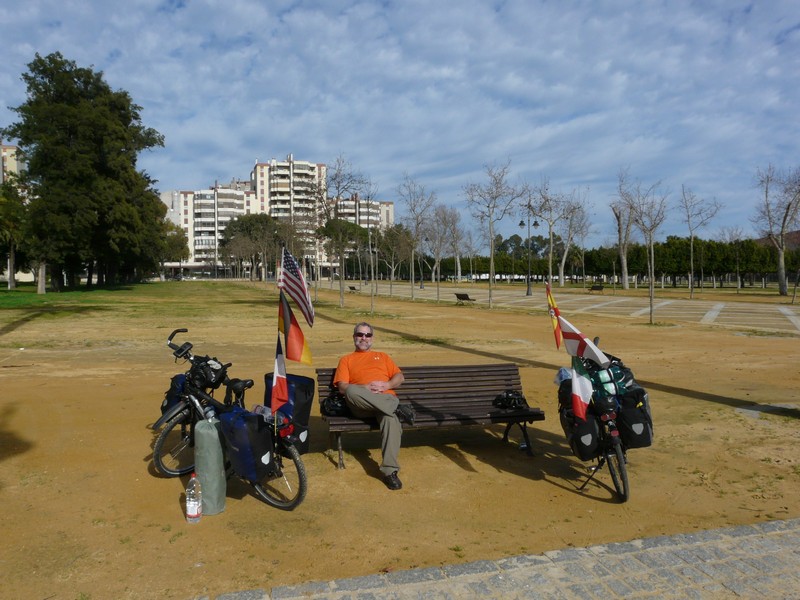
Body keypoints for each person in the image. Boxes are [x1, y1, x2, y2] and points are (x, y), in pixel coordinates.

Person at [334, 322, 415, 490]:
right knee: (351, 391)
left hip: (384, 399)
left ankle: (389, 472)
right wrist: (366, 388)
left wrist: (386, 385)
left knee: (390, 419)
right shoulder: (346, 360)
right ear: (354, 337)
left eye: (367, 335)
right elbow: (342, 387)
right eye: (360, 334)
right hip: (361, 404)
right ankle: (396, 407)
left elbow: (400, 377)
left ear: (372, 338)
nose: (364, 338)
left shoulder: (383, 356)